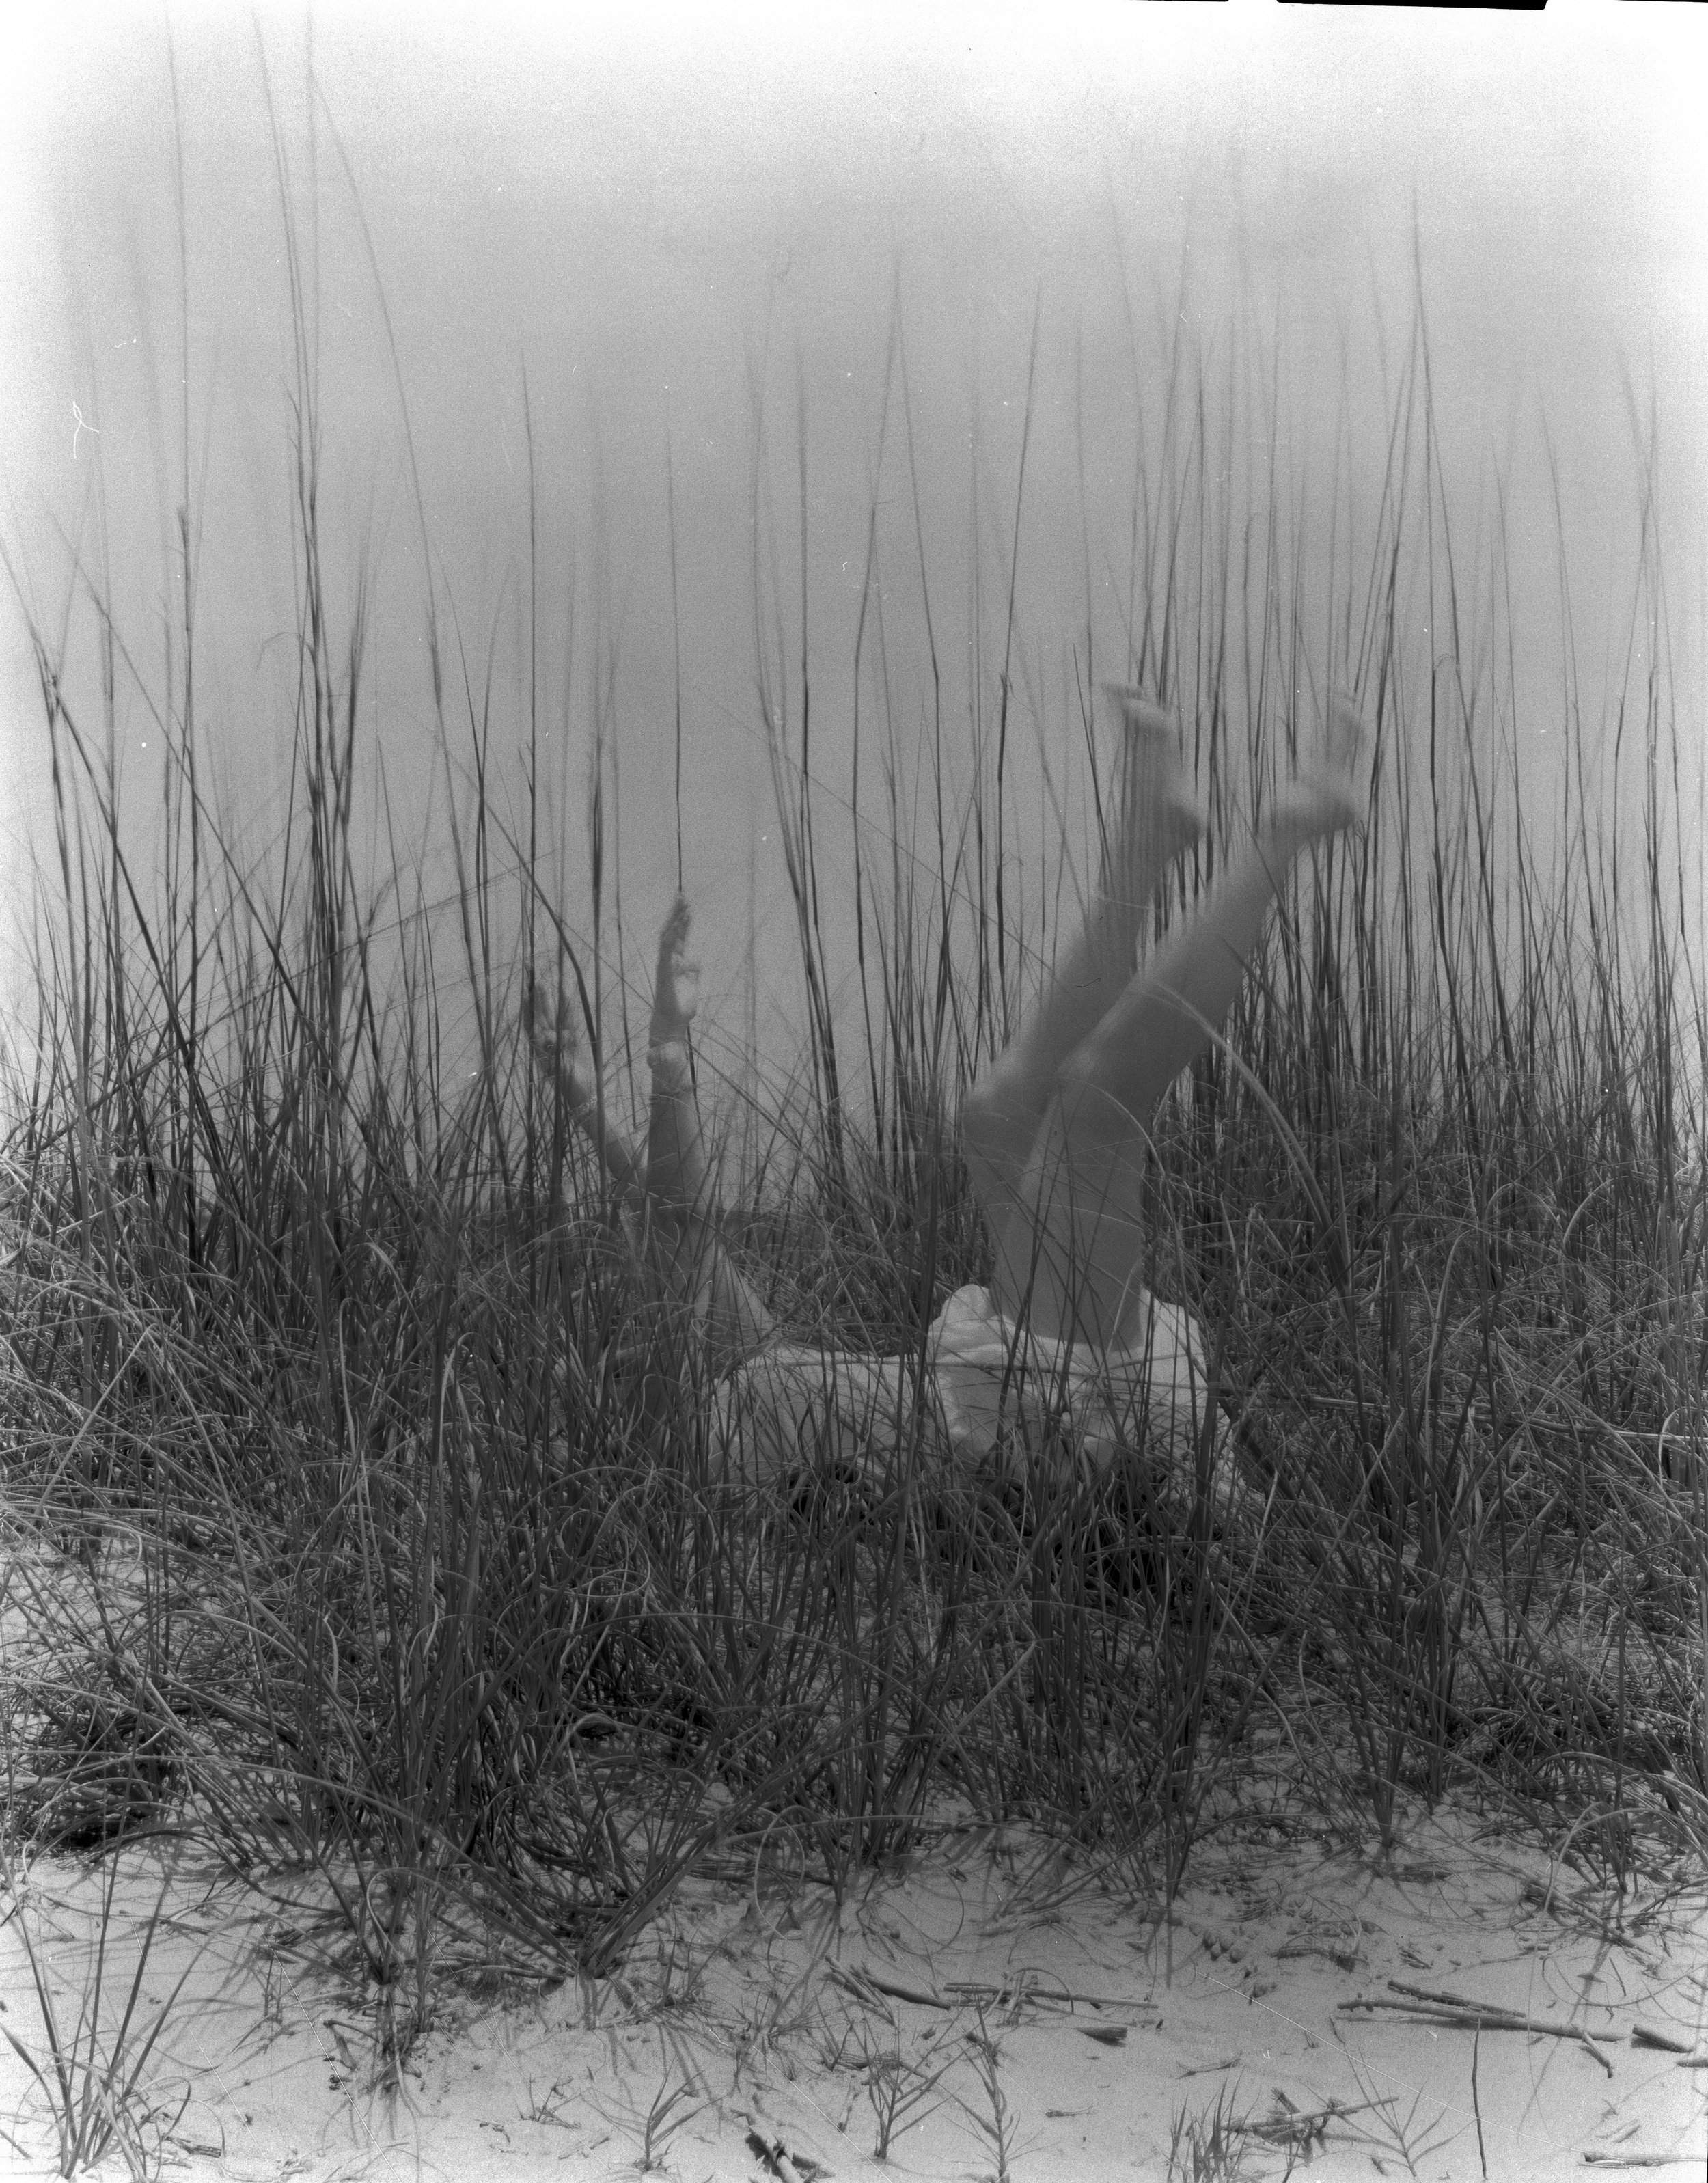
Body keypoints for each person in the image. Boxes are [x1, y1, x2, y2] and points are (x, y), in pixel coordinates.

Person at [527, 687, 1370, 1511]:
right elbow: (675, 1210)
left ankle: (1146, 845)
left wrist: (582, 1096)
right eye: (576, 1408)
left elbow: (672, 1213)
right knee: (1087, 1116)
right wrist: (666, 1052)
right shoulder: (693, 1446)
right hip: (1046, 1438)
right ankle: (1283, 838)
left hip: (1012, 1397)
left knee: (996, 1114)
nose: (590, 1368)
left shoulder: (730, 1371)